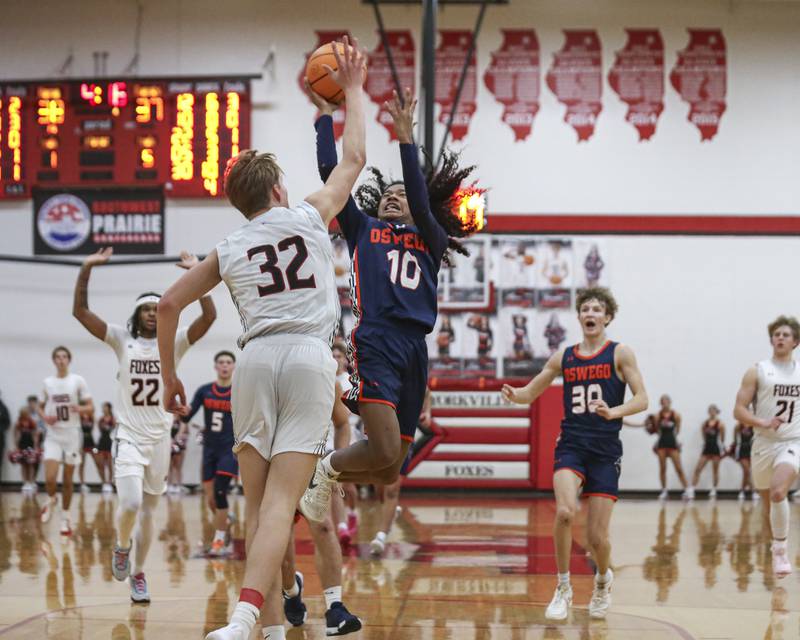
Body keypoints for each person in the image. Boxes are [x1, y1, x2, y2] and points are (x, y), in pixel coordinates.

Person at [156, 37, 367, 640]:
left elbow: (169, 304)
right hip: (306, 358)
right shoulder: (307, 213)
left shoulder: (228, 246)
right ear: (276, 191)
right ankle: (247, 614)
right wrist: (351, 91)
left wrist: (173, 377)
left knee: (257, 506)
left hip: (252, 360)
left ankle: (270, 630)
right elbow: (351, 160)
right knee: (284, 506)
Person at [298, 85, 479, 523]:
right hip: (376, 338)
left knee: (391, 466)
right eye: (387, 194)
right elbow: (331, 172)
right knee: (379, 448)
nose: (394, 197)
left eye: (402, 194)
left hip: (415, 348)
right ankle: (323, 471)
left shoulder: (430, 238)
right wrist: (325, 118)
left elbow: (420, 198)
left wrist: (405, 141)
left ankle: (331, 473)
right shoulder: (363, 228)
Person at [72, 247, 216, 603]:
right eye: (147, 310)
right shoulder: (122, 339)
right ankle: (121, 547)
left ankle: (138, 572)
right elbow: (80, 312)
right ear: (138, 314)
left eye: (157, 309)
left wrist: (196, 275)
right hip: (129, 436)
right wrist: (87, 268)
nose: (153, 314)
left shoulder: (175, 342)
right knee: (132, 503)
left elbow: (209, 318)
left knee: (151, 511)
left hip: (160, 441)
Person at [501, 287, 648, 621]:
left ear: (607, 317)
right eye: (585, 309)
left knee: (597, 538)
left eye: (597, 309)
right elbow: (530, 393)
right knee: (565, 512)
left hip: (606, 449)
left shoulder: (620, 353)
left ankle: (602, 580)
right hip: (572, 444)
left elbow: (642, 399)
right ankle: (563, 587)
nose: (591, 313)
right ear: (579, 317)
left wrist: (613, 411)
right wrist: (515, 394)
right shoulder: (564, 356)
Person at [282, 381, 361, 636]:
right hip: (277, 465)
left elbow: (342, 423)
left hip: (314, 462)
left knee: (324, 527)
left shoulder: (324, 374)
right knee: (280, 544)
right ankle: (292, 591)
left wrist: (337, 462)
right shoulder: (269, 368)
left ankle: (335, 607)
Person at [733, 315, 800, 579]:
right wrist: (762, 421)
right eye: (777, 334)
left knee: (778, 491)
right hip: (763, 443)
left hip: (792, 442)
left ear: (795, 342)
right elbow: (738, 410)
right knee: (768, 505)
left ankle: (781, 549)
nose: (780, 338)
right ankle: (773, 543)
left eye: (786, 334)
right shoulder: (757, 370)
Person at [181, 350, 237, 556]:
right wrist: (179, 409)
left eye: (228, 362)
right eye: (221, 362)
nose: (224, 365)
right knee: (212, 500)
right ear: (215, 366)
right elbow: (187, 416)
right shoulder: (204, 391)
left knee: (221, 491)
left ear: (233, 367)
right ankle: (226, 520)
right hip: (209, 450)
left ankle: (219, 541)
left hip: (229, 450)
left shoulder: (239, 391)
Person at [39, 345, 94, 535]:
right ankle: (52, 498)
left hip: (71, 434)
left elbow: (90, 407)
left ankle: (65, 517)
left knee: (68, 479)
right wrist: (44, 417)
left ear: (69, 360)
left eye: (64, 357)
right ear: (54, 360)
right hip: (53, 434)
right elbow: (39, 406)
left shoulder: (77, 381)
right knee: (50, 477)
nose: (61, 360)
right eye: (58, 357)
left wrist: (80, 409)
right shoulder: (47, 382)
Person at [370, 388, 431, 556]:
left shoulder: (410, 374)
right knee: (380, 487)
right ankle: (390, 512)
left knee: (391, 489)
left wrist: (427, 412)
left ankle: (381, 536)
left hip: (403, 436)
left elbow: (426, 391)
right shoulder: (381, 374)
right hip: (380, 434)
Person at [653, 394, 692, 500]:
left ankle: (688, 490)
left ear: (670, 402)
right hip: (661, 443)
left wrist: (677, 442)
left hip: (672, 443)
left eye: (666, 401)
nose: (664, 403)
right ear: (660, 403)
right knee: (662, 468)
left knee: (679, 468)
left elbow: (678, 430)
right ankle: (664, 491)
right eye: (662, 401)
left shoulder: (676, 415)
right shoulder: (657, 416)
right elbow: (657, 430)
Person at [691, 404, 726, 498]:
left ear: (716, 411)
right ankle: (692, 489)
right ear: (708, 412)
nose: (711, 412)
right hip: (706, 448)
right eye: (710, 410)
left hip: (715, 448)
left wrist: (722, 449)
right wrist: (706, 443)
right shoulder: (704, 423)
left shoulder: (720, 424)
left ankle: (714, 489)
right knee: (698, 468)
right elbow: (703, 435)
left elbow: (722, 438)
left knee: (715, 470)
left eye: (713, 410)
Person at [12, 407, 40, 493]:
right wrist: (15, 446)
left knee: (30, 464)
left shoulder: (32, 422)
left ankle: (31, 482)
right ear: (22, 414)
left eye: (27, 413)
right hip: (22, 444)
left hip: (30, 444)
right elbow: (15, 434)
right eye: (25, 413)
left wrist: (36, 446)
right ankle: (25, 483)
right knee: (24, 465)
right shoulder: (18, 422)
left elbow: (36, 434)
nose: (27, 415)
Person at [730, 422, 755, 500]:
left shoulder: (753, 426)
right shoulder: (738, 426)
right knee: (746, 470)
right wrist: (733, 452)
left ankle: (742, 491)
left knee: (747, 472)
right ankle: (753, 491)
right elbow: (735, 440)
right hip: (741, 449)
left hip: (751, 449)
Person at [95, 402, 115, 493]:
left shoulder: (113, 419)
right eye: (103, 407)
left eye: (106, 407)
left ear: (109, 409)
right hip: (102, 442)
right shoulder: (100, 419)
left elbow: (114, 430)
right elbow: (99, 429)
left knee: (110, 465)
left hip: (110, 442)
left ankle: (110, 483)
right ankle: (104, 483)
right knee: (101, 464)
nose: (104, 409)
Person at [78, 408, 98, 494]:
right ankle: (82, 484)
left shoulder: (91, 418)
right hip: (82, 443)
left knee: (98, 461)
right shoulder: (79, 418)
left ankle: (105, 483)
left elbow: (95, 427)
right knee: (82, 464)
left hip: (91, 442)